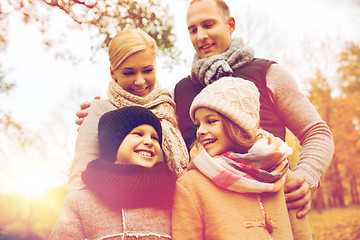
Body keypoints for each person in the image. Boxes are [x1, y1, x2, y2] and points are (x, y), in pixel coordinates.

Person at [75, 0, 334, 217]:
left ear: (230, 25)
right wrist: (101, 112)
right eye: (192, 29)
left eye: (208, 25)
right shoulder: (182, 90)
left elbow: (317, 132)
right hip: (207, 216)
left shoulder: (268, 73)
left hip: (270, 209)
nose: (201, 36)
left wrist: (306, 177)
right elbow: (146, 126)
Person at [172, 77, 312, 240]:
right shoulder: (191, 186)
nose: (200, 131)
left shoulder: (280, 173)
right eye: (198, 124)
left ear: (237, 124)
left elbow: (302, 234)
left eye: (211, 121)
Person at [69, 28, 188, 192]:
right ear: (113, 73)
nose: (140, 81)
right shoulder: (99, 110)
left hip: (172, 210)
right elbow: (80, 176)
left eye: (147, 70)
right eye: (129, 72)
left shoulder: (169, 110)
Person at [50, 106, 177, 239]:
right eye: (138, 134)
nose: (149, 141)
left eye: (155, 138)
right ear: (113, 143)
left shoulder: (172, 193)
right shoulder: (81, 200)